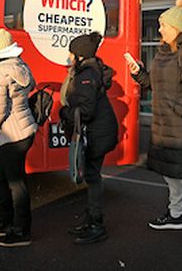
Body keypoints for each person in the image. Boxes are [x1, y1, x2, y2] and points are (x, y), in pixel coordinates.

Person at [127, 5, 182, 244]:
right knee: (171, 174)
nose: (160, 29)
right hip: (164, 124)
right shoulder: (163, 51)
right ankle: (175, 215)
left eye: (163, 25)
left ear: (176, 27)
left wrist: (178, 111)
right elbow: (153, 83)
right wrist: (138, 73)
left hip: (181, 126)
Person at [0, 28, 38, 248]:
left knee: (15, 183)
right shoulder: (20, 65)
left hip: (13, 135)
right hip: (23, 131)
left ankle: (22, 230)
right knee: (1, 180)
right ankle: (5, 223)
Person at [59, 32, 118, 245]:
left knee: (93, 177)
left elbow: (86, 110)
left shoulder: (86, 75)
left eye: (71, 53)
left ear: (80, 55)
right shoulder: (91, 71)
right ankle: (91, 219)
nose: (69, 57)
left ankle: (96, 225)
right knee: (92, 176)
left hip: (97, 134)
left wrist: (63, 113)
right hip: (99, 132)